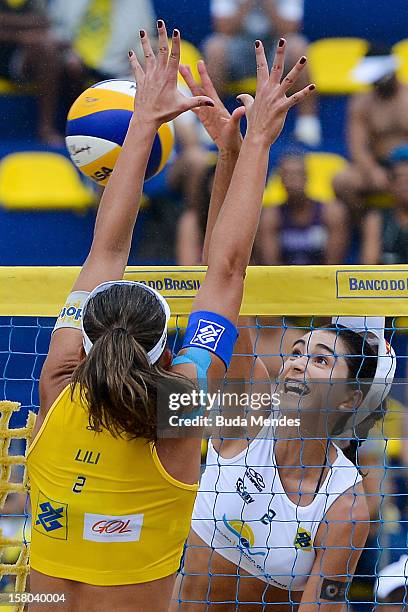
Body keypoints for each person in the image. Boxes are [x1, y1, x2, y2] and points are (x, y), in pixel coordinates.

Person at [26, 21, 314, 611]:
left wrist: (143, 124)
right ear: (165, 352)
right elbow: (225, 273)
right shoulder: (177, 413)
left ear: (83, 338)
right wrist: (249, 145)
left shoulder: (58, 384)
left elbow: (106, 251)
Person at [173, 311, 396, 609]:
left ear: (349, 399)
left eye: (320, 360)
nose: (297, 364)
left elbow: (323, 603)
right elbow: (229, 295)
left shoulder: (347, 506)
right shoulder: (248, 416)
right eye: (296, 352)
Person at [204, 0, 321, 146]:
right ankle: (211, 122)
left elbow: (289, 29)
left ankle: (307, 125)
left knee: (298, 46)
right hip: (238, 51)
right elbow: (223, 28)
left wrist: (268, 3)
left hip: (274, 50)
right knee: (215, 47)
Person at [333, 45, 408, 215]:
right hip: (380, 166)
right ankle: (370, 224)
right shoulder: (362, 103)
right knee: (342, 182)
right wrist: (371, 170)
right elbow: (357, 146)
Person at [258, 151, 348, 266]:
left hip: (323, 280)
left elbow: (333, 264)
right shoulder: (270, 216)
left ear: (307, 177)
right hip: (282, 280)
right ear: (280, 179)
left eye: (297, 174)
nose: (292, 179)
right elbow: (270, 264)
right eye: (287, 175)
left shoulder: (331, 212)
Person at [0, 0, 62, 144]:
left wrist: (8, 25)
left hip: (18, 56)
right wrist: (21, 35)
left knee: (50, 49)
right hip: (10, 49)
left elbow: (44, 21)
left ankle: (48, 128)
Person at [361, 145, 408, 264]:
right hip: (387, 282)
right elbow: (368, 265)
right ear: (390, 185)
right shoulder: (376, 219)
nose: (404, 186)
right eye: (399, 179)